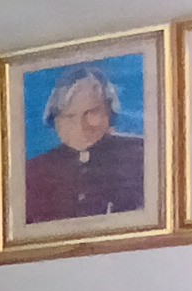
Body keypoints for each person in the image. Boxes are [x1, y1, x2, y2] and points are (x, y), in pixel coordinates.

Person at [25, 65, 148, 223]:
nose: (80, 125)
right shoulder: (34, 172)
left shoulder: (140, 156)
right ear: (55, 120)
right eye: (69, 116)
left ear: (109, 112)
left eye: (91, 112)